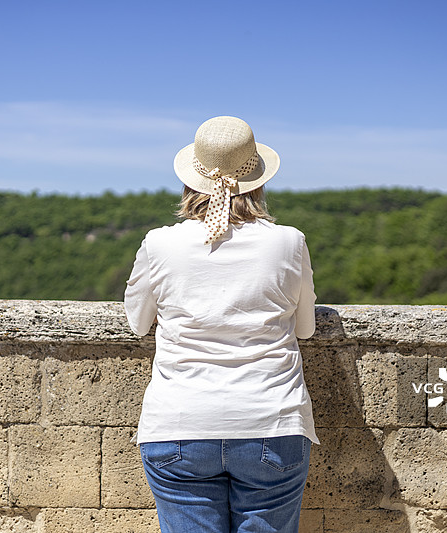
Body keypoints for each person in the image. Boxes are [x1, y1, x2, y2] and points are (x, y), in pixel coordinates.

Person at [124, 115, 318, 533]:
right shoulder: (289, 241)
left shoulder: (159, 242)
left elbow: (138, 322)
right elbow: (305, 329)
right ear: (257, 181)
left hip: (179, 422)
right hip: (272, 420)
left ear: (192, 179)